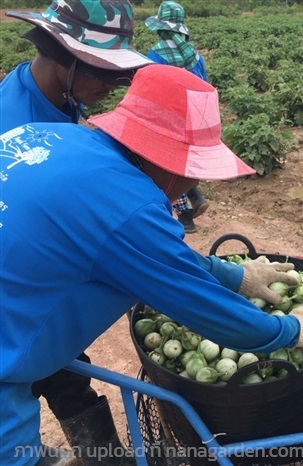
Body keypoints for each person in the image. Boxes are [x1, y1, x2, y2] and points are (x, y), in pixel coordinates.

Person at [0, 64, 303, 466]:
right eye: (193, 170)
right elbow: (210, 312)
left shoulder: (55, 135)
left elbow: (151, 254)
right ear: (168, 162)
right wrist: (294, 329)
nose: (192, 182)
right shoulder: (130, 207)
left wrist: (237, 277)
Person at [0, 1, 152, 464]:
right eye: (104, 73)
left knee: (66, 369)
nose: (112, 87)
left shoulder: (54, 99)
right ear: (66, 58)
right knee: (31, 378)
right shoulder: (16, 123)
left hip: (35, 282)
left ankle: (100, 455)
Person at [145, 0, 210, 233]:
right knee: (182, 164)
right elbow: (206, 87)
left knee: (166, 168)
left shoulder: (156, 54)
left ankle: (185, 218)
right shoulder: (195, 56)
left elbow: (150, 89)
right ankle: (196, 195)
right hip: (193, 121)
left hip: (168, 121)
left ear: (162, 28)